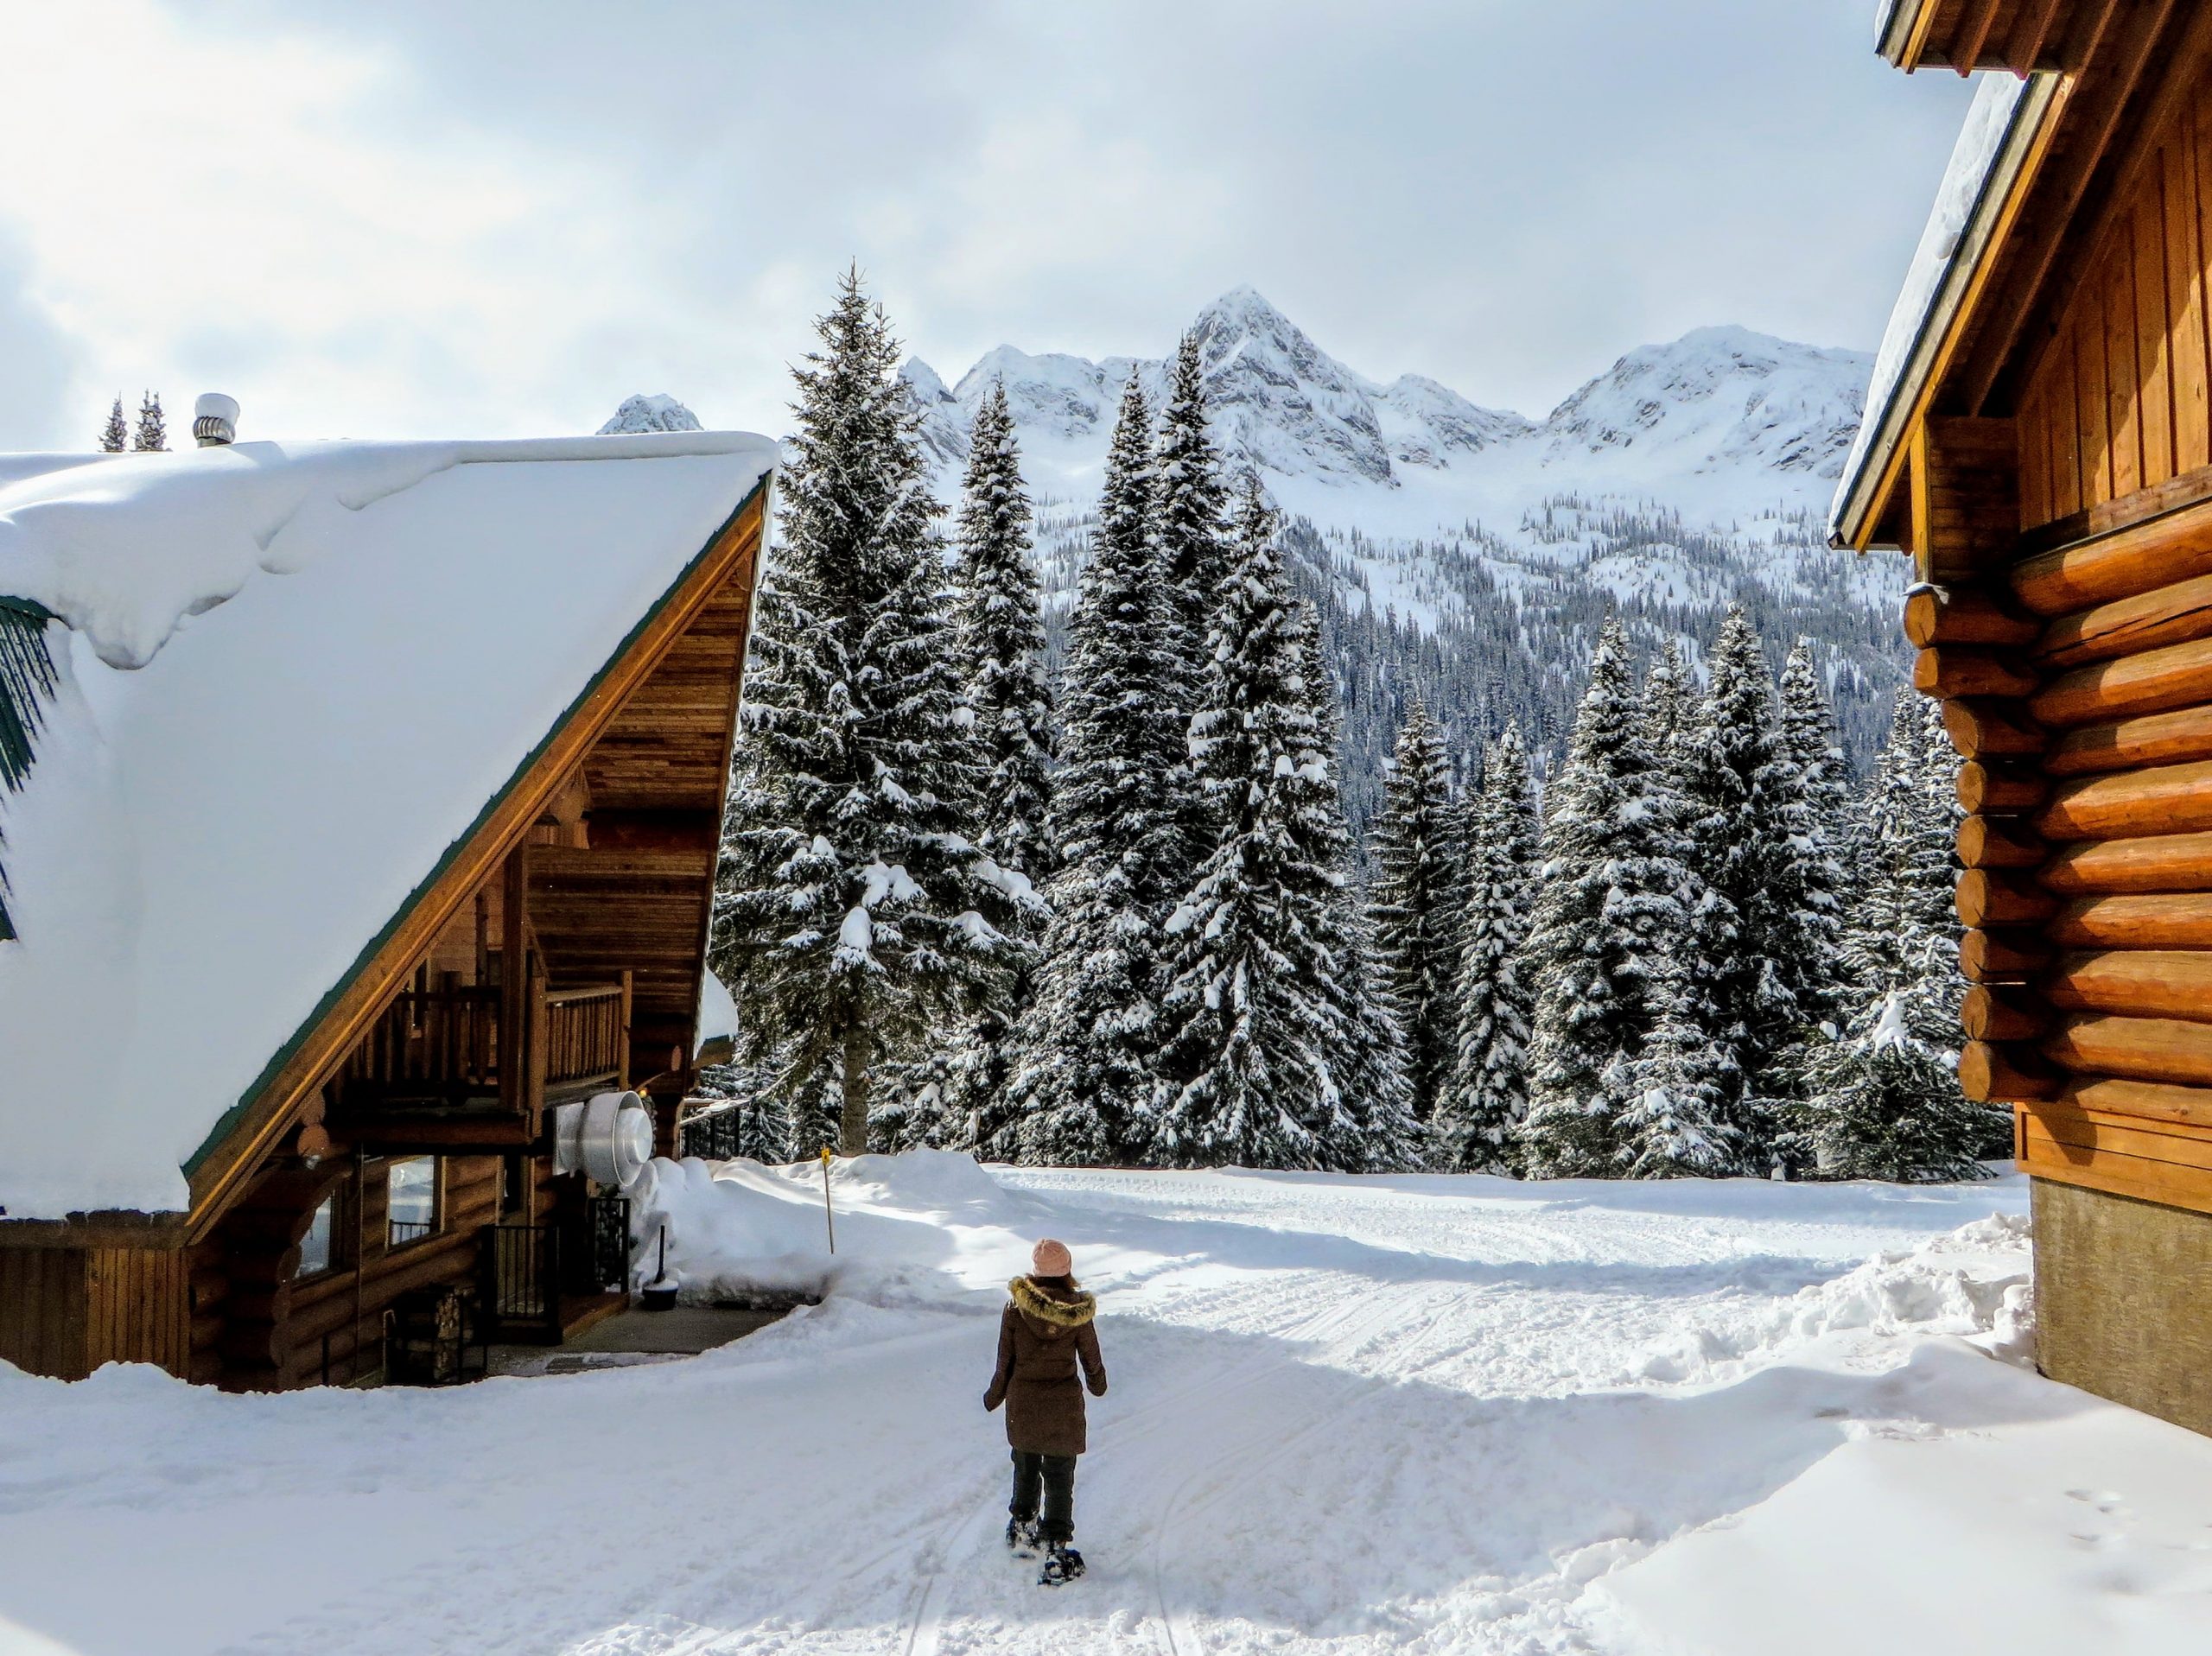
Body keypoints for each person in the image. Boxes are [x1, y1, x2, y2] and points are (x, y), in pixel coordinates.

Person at [983, 1237, 1107, 1585]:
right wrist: (1098, 1384)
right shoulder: (1077, 1312)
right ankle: (1055, 1548)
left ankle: (1021, 1529)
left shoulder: (1014, 1309)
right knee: (1058, 1476)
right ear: (1067, 1270)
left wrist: (994, 1396)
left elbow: (1004, 1362)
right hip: (1062, 1406)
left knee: (1024, 1466)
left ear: (1035, 1271)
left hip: (1022, 1404)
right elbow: (1091, 1359)